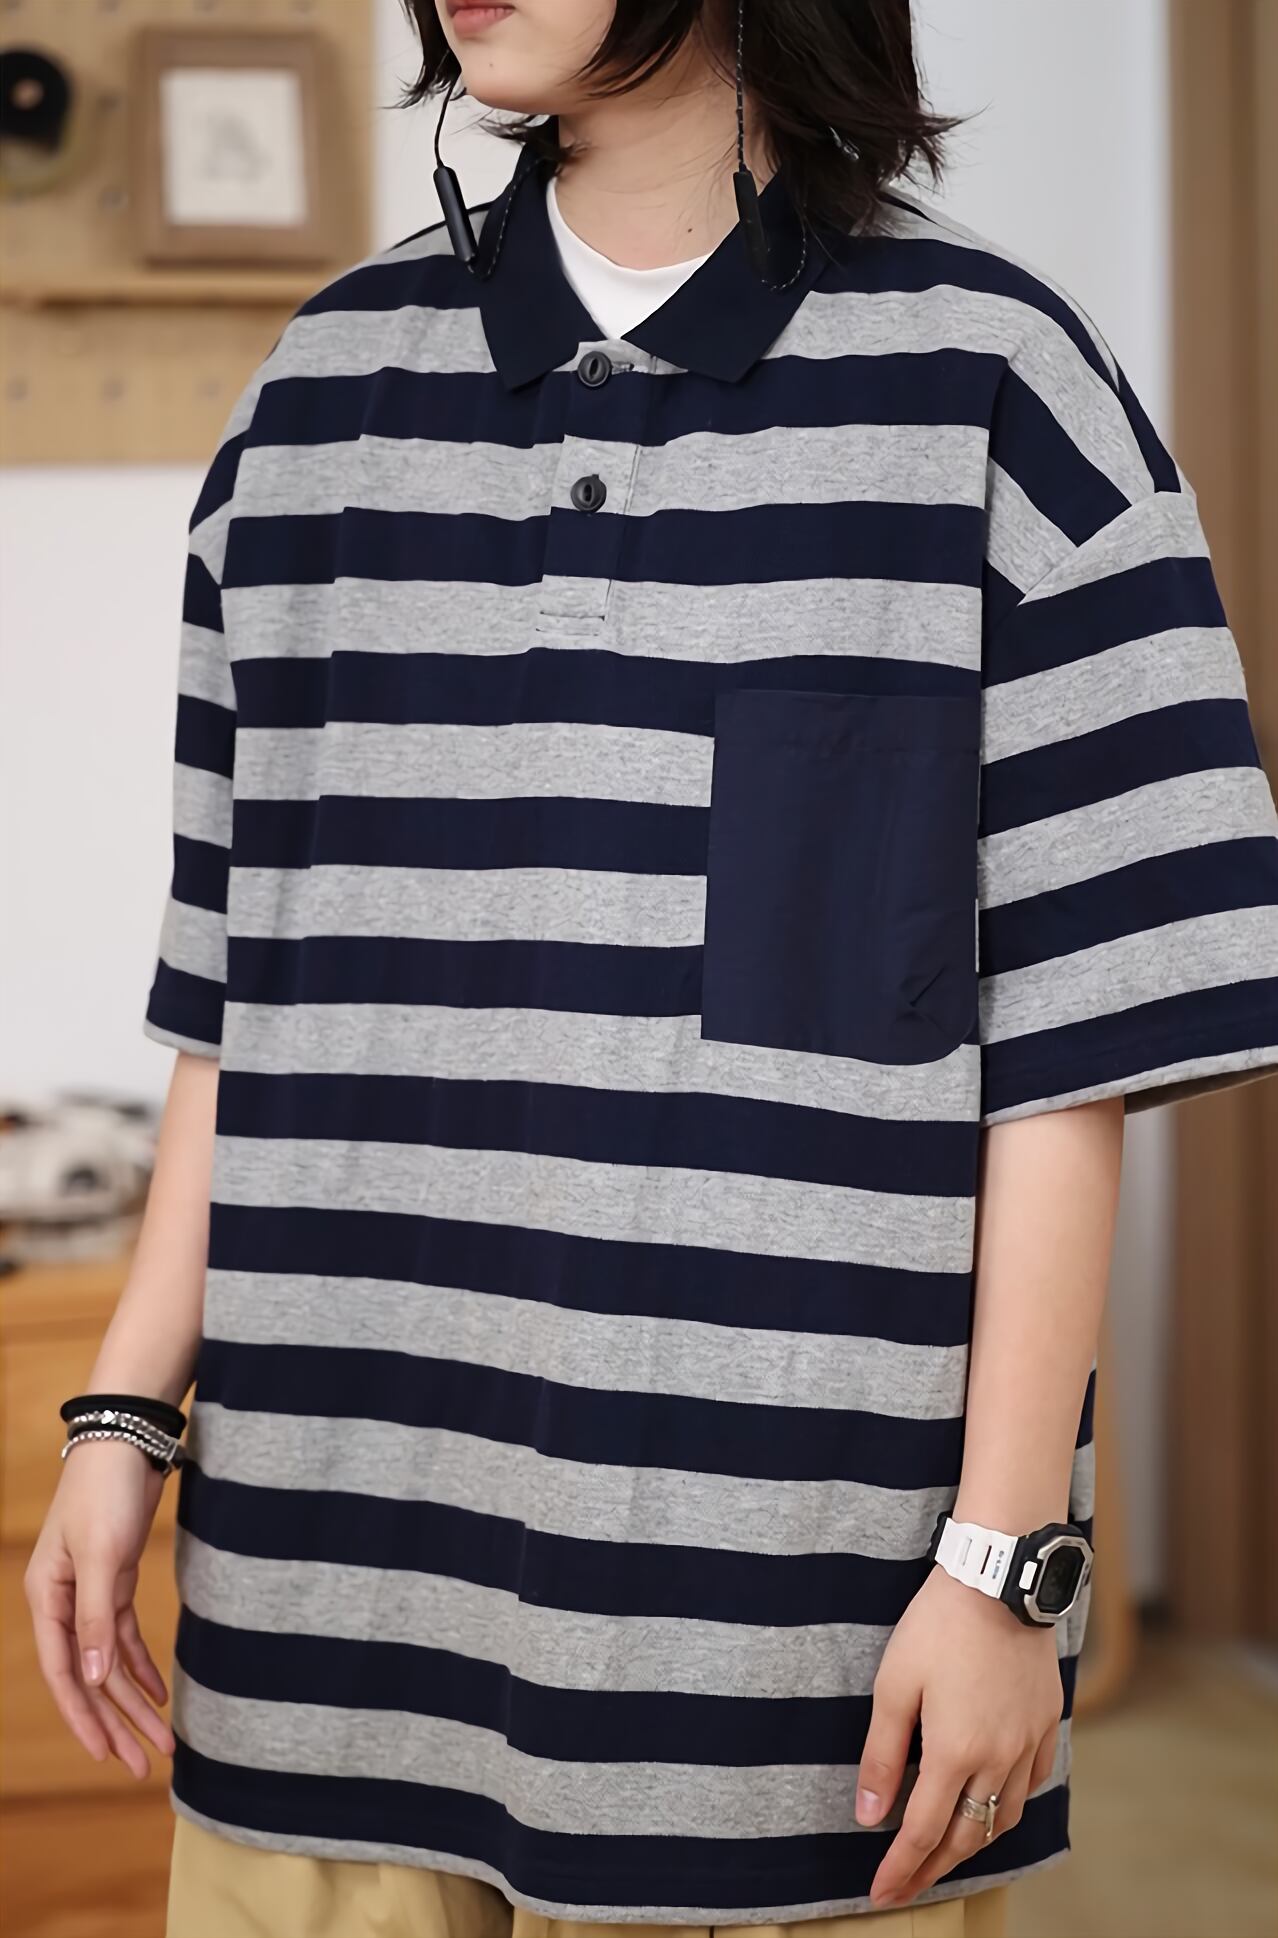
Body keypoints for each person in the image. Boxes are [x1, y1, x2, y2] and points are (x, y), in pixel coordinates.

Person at [24, 3, 1278, 1936]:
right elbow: (239, 991)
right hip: (330, 1581)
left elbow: (1068, 1051)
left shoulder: (995, 382)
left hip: (783, 1644)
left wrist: (1003, 1565)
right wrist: (124, 1413)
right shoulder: (320, 392)